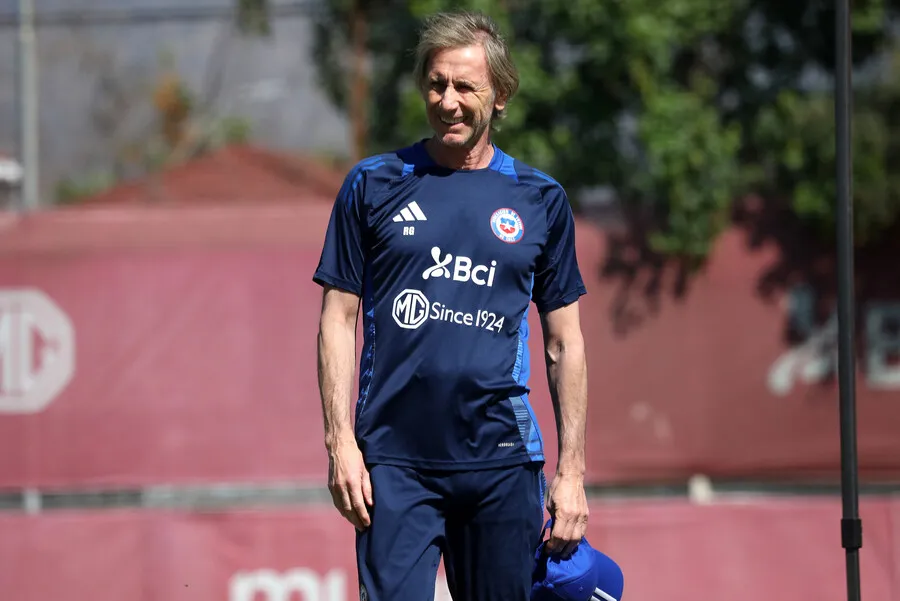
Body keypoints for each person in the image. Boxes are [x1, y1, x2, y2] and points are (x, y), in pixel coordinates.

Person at [313, 9, 590, 601]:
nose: (449, 101)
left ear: (501, 95)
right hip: (392, 462)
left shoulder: (540, 199)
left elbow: (564, 342)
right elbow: (337, 319)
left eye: (467, 86)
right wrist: (341, 444)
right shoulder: (372, 184)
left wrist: (571, 473)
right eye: (437, 84)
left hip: (501, 462)